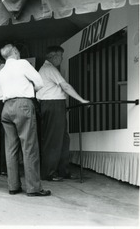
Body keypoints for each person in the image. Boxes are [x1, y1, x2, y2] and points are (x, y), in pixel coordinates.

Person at [0, 44, 51, 197]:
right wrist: (28, 90)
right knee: (29, 147)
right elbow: (40, 83)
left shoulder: (2, 71)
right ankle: (33, 188)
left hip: (6, 107)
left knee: (11, 149)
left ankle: (13, 186)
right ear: (15, 52)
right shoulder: (22, 64)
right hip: (23, 105)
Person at [37, 46, 89, 181]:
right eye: (60, 56)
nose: (61, 58)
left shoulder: (46, 69)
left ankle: (62, 171)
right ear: (53, 56)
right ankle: (49, 173)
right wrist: (81, 100)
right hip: (53, 105)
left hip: (55, 105)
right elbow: (65, 86)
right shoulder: (49, 69)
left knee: (63, 140)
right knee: (53, 141)